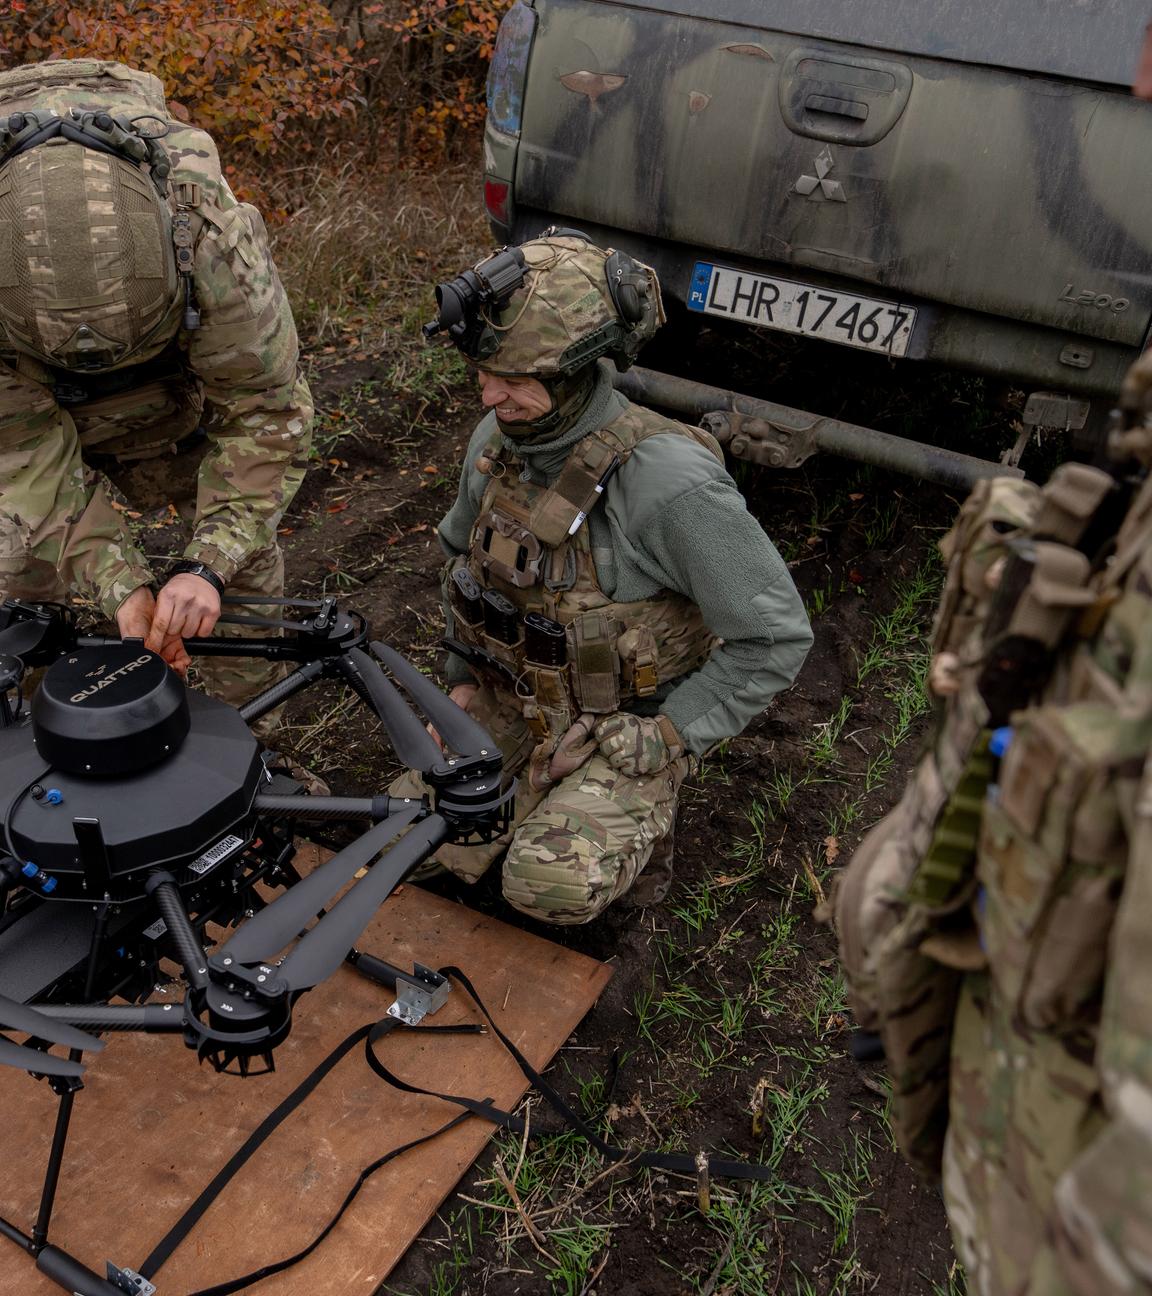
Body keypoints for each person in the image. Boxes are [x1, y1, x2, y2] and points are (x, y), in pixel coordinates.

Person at [393, 231, 812, 924]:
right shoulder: (496, 444)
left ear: (576, 370)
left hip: (627, 721)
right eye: (483, 371)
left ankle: (639, 842)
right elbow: (457, 564)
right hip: (518, 696)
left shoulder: (668, 486)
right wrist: (461, 682)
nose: (490, 392)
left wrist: (672, 732)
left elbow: (774, 636)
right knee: (403, 839)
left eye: (515, 377)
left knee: (545, 884)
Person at [0, 59, 312, 698]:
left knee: (243, 563)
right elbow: (19, 460)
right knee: (21, 570)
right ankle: (35, 749)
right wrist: (121, 585)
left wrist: (206, 567)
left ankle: (251, 744)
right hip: (28, 392)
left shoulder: (210, 240)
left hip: (178, 389)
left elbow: (265, 413)